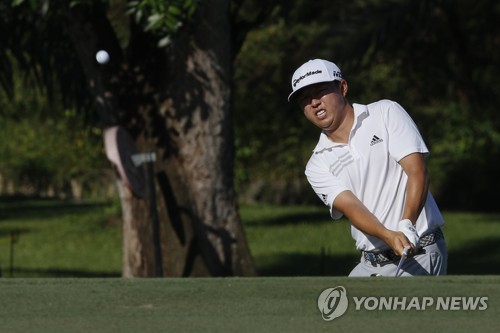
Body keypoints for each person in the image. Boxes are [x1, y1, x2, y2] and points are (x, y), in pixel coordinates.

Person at [288, 59, 447, 277]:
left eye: (321, 91)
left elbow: (417, 171)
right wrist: (388, 235)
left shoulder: (385, 113)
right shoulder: (317, 164)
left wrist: (407, 223)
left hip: (419, 255)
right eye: (304, 98)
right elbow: (353, 209)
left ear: (342, 87)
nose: (314, 102)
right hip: (370, 264)